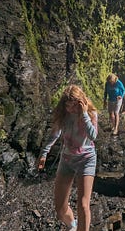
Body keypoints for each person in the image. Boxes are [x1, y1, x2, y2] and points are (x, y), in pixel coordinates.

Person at [37, 85, 98, 231]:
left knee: (83, 205)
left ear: (81, 103)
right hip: (67, 161)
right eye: (68, 105)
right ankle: (73, 225)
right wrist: (44, 153)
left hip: (87, 159)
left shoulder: (91, 113)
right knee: (60, 209)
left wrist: (83, 115)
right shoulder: (63, 114)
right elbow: (54, 134)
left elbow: (93, 136)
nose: (71, 109)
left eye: (74, 106)